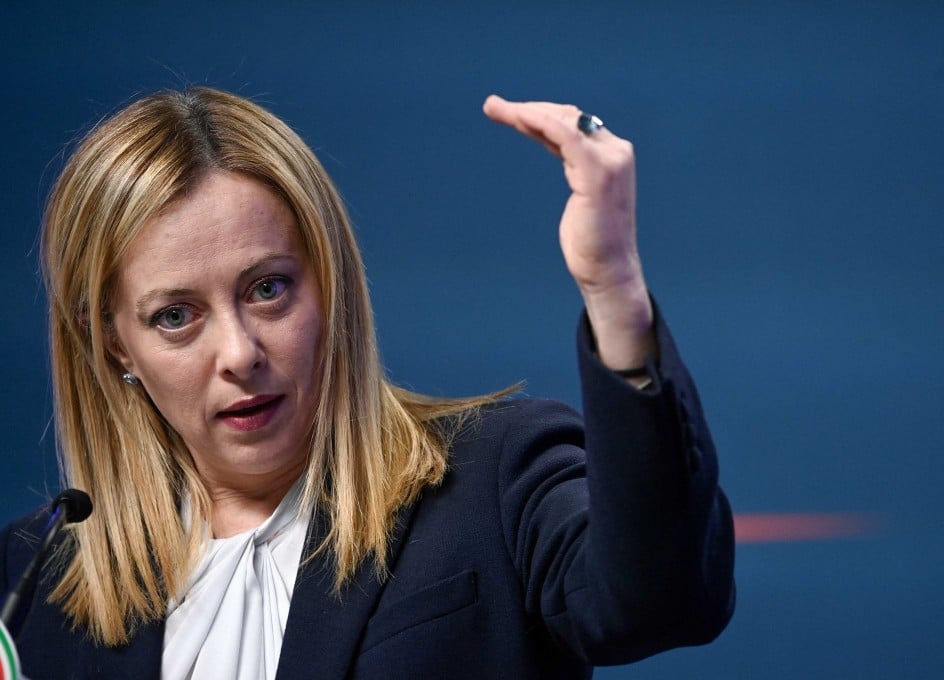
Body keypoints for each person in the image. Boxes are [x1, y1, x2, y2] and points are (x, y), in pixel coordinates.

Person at [0, 87, 734, 679]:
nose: (240, 352)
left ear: (331, 286)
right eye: (175, 316)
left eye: (268, 289)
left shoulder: (496, 477)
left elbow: (661, 602)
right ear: (111, 346)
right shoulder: (28, 582)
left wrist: (614, 292)